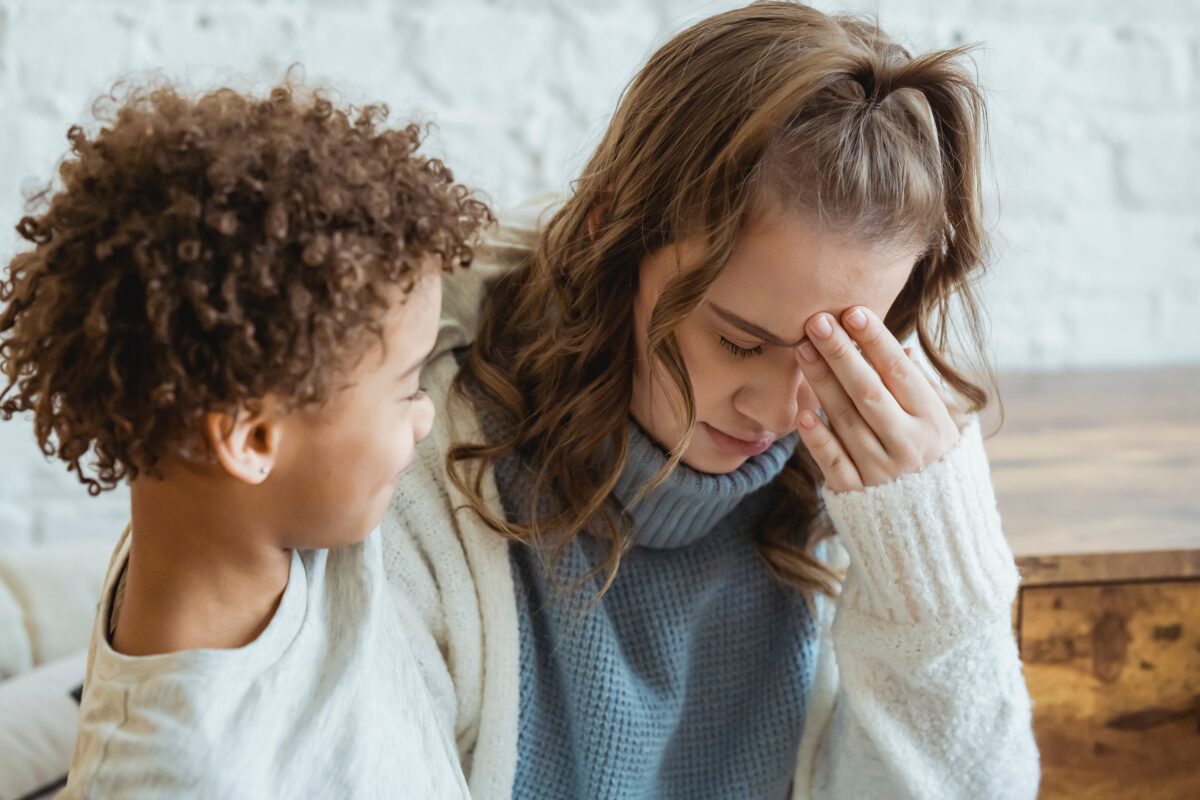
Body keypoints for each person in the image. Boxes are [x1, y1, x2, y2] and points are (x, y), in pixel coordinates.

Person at [382, 3, 1040, 798]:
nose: (779, 412)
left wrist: (933, 571)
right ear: (608, 231)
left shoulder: (870, 490)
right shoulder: (420, 471)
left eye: (836, 356)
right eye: (738, 342)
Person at [0, 78, 490, 798]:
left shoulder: (258, 515)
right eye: (408, 387)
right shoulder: (182, 772)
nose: (427, 416)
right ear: (251, 439)